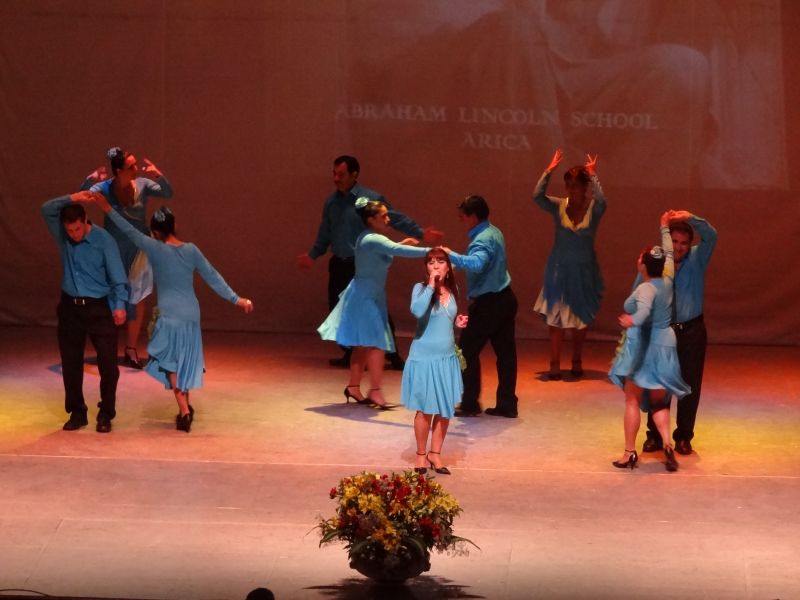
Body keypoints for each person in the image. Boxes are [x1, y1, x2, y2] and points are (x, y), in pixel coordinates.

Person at [91, 193, 253, 432]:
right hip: (190, 314)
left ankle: (184, 410)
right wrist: (237, 299)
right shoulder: (191, 250)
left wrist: (107, 208)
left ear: (155, 231)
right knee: (183, 360)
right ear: (174, 225)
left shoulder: (154, 247)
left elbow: (128, 230)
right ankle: (184, 407)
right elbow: (213, 277)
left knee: (171, 363)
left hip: (169, 315)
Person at [298, 155, 442, 369]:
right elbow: (325, 232)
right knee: (340, 308)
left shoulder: (368, 200)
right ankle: (351, 353)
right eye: (334, 174)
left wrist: (419, 232)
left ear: (354, 174)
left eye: (341, 174)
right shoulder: (331, 202)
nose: (336, 178)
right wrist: (313, 255)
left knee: (373, 308)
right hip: (339, 263)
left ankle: (392, 355)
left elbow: (394, 217)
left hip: (361, 264)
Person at [318, 198, 430, 409]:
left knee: (363, 344)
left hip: (369, 295)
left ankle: (353, 387)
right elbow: (396, 250)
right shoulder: (372, 238)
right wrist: (433, 252)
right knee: (377, 343)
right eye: (383, 216)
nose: (388, 219)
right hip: (365, 297)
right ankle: (375, 391)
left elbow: (390, 250)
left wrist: (402, 244)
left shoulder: (371, 238)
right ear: (371, 219)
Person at [610, 211, 690, 472]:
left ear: (642, 265)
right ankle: (667, 443)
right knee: (658, 402)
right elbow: (669, 253)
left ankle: (629, 453)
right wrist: (664, 228)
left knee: (632, 400)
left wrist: (630, 320)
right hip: (666, 345)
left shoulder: (646, 288)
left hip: (646, 346)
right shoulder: (668, 279)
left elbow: (643, 312)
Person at [41, 191, 128, 433]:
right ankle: (77, 412)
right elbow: (46, 208)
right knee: (71, 362)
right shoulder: (64, 236)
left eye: (77, 229)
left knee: (108, 365)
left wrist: (120, 305)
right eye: (69, 231)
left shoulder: (103, 240)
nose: (74, 235)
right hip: (70, 307)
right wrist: (73, 197)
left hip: (99, 307)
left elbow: (118, 276)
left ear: (85, 221)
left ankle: (106, 413)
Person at [81, 146, 174, 369]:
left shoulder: (142, 184)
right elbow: (84, 194)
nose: (136, 169)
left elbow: (167, 192)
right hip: (113, 249)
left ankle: (131, 348)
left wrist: (157, 174)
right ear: (119, 170)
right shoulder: (105, 188)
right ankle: (107, 348)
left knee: (137, 298)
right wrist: (91, 178)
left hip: (138, 250)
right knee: (111, 297)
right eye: (131, 166)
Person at [643, 211, 717, 455]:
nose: (679, 247)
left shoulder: (697, 257)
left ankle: (684, 436)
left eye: (684, 242)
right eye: (674, 241)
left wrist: (691, 217)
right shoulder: (658, 259)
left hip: (691, 330)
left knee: (689, 384)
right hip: (664, 329)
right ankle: (655, 435)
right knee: (658, 383)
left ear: (690, 244)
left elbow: (712, 236)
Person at [532, 149, 605, 380]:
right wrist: (549, 170)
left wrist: (593, 175)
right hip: (558, 270)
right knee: (555, 318)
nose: (572, 189)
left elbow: (603, 201)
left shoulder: (594, 209)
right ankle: (554, 363)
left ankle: (576, 360)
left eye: (576, 185)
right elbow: (537, 196)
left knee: (579, 319)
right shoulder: (558, 206)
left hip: (583, 272)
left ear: (584, 187)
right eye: (568, 185)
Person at [443, 195, 518, 418]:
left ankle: (469, 402)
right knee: (506, 355)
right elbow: (482, 262)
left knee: (465, 351)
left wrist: (451, 256)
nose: (461, 221)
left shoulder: (482, 239)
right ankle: (507, 404)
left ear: (473, 217)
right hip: (505, 299)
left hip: (489, 305)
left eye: (462, 217)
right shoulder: (494, 232)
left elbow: (477, 263)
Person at [401, 249, 469, 475]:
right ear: (426, 268)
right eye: (431, 262)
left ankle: (435, 454)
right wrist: (431, 285)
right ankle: (421, 455)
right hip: (424, 358)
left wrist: (457, 321)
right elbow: (417, 311)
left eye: (440, 261)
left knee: (444, 409)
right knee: (425, 409)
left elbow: (445, 318)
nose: (436, 265)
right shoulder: (420, 289)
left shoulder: (453, 289)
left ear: (448, 267)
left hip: (446, 358)